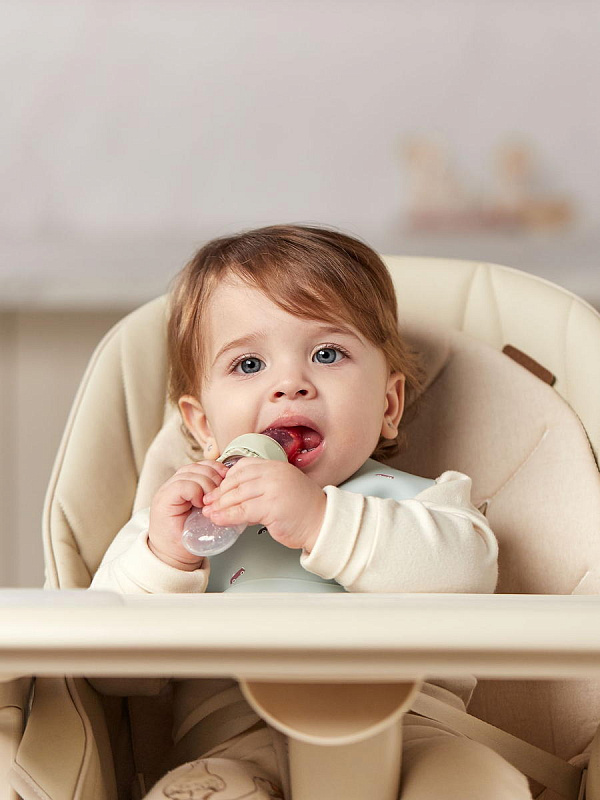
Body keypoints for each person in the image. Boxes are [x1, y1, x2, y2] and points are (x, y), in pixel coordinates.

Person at [91, 224, 532, 799]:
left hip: (415, 734)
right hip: (234, 743)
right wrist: (166, 559)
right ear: (202, 427)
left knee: (478, 781)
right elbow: (109, 672)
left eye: (327, 354)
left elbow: (468, 573)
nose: (290, 384)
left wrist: (320, 520)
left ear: (389, 405)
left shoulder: (423, 503)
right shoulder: (180, 525)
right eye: (249, 364)